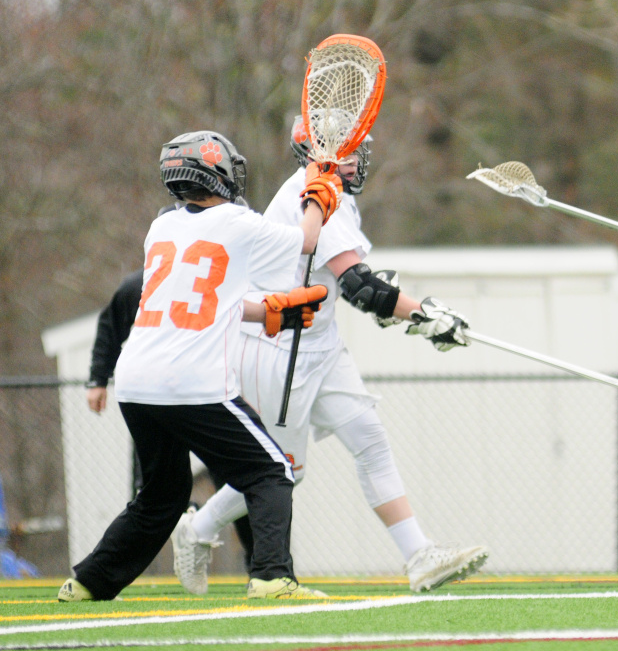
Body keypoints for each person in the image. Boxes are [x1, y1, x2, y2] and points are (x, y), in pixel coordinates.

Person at [172, 118, 488, 596]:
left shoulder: (339, 194)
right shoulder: (309, 191)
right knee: (283, 470)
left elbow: (350, 277)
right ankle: (197, 528)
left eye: (360, 150)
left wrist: (405, 310)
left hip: (319, 341)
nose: (359, 159)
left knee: (369, 437)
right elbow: (361, 287)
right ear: (317, 153)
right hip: (279, 347)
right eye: (350, 151)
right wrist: (422, 314)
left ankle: (419, 555)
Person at [58, 129, 339, 601]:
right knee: (273, 470)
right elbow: (308, 241)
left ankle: (88, 582)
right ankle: (272, 576)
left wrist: (268, 311)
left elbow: (201, 299)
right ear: (217, 172)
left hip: (136, 382)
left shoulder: (161, 226)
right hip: (192, 382)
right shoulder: (237, 222)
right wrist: (320, 190)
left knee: (161, 496)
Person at [83, 206, 256, 572]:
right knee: (152, 491)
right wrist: (98, 379)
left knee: (233, 476)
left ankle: (257, 559)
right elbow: (110, 328)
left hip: (201, 395)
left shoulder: (216, 279)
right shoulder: (138, 287)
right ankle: (123, 569)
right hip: (161, 398)